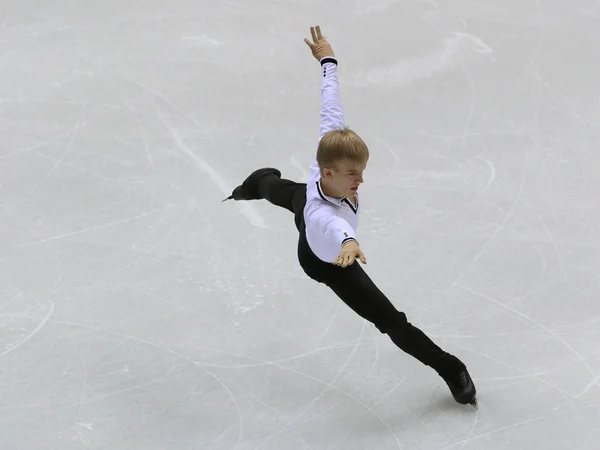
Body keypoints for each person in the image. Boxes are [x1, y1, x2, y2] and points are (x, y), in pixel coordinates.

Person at [224, 26, 477, 407]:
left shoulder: (329, 151)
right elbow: (335, 226)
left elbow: (331, 102)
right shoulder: (327, 216)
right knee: (392, 320)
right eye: (352, 174)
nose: (361, 180)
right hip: (326, 260)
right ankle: (451, 367)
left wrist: (327, 59)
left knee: (280, 190)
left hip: (307, 203)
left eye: (361, 171)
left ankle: (258, 183)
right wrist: (350, 243)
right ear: (328, 172)